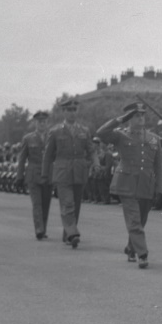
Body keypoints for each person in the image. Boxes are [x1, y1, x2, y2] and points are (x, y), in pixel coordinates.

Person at [97, 102, 162, 269]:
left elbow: (158, 166)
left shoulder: (154, 138)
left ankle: (131, 248)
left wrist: (159, 188)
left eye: (142, 115)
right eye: (136, 115)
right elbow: (101, 133)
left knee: (141, 220)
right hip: (126, 184)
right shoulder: (120, 135)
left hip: (146, 184)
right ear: (129, 119)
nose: (140, 118)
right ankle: (143, 254)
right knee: (134, 220)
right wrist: (119, 120)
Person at [42, 98, 99, 249]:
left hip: (79, 171)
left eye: (74, 110)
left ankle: (68, 234)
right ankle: (73, 233)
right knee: (67, 203)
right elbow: (48, 155)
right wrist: (44, 174)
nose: (72, 113)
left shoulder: (84, 131)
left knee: (76, 204)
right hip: (62, 171)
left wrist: (96, 163)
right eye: (69, 110)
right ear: (64, 112)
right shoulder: (55, 131)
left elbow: (91, 150)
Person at [16, 110, 52, 240]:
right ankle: (39, 229)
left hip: (48, 174)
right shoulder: (28, 138)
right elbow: (22, 159)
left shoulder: (52, 137)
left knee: (46, 204)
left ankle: (43, 229)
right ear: (35, 123)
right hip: (33, 175)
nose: (42, 124)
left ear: (47, 123)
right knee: (37, 204)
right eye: (39, 122)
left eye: (44, 121)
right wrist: (19, 176)